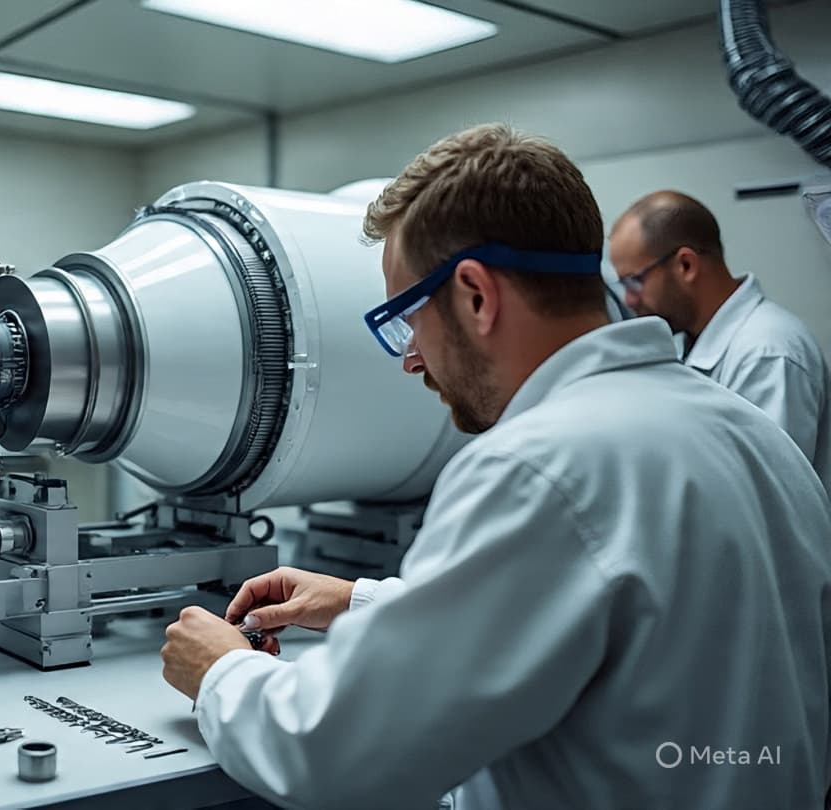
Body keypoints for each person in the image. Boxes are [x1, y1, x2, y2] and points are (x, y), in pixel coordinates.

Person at [160, 124, 831, 809]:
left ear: (476, 295)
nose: (410, 358)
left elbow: (331, 750)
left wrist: (221, 672)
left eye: (406, 319)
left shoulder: (537, 469)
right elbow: (623, 616)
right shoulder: (755, 437)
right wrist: (357, 601)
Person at [608, 190, 829, 489]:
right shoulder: (695, 345)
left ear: (686, 265)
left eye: (635, 281)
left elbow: (764, 496)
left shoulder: (766, 352)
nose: (630, 300)